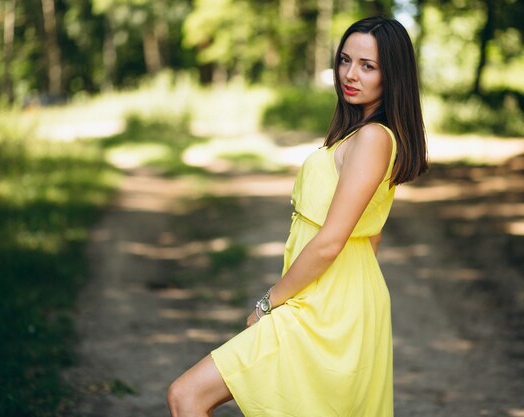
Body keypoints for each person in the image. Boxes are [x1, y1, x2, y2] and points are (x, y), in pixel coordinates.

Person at [167, 16, 428, 417]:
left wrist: (268, 304)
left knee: (187, 395)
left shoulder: (374, 138)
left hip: (327, 308)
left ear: (392, 77)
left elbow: (330, 242)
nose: (350, 74)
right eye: (345, 60)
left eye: (367, 66)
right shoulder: (358, 134)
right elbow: (370, 237)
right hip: (327, 299)